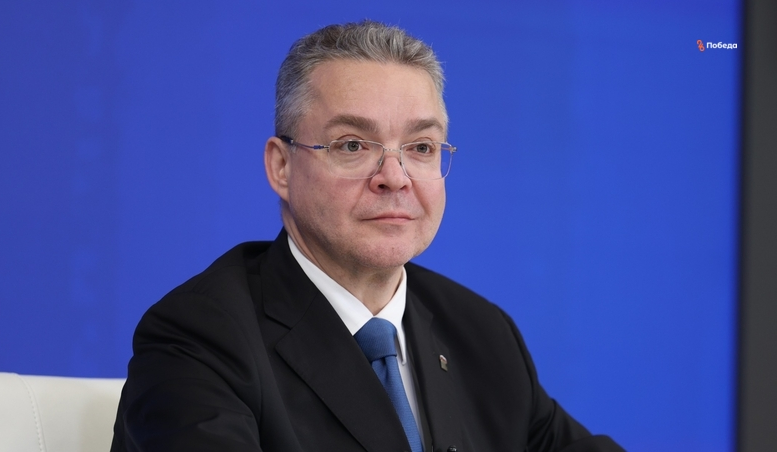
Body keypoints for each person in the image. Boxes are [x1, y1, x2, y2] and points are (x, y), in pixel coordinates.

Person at [110, 21, 624, 452]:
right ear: (282, 166)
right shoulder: (199, 337)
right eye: (353, 145)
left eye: (421, 147)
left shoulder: (481, 333)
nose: (394, 177)